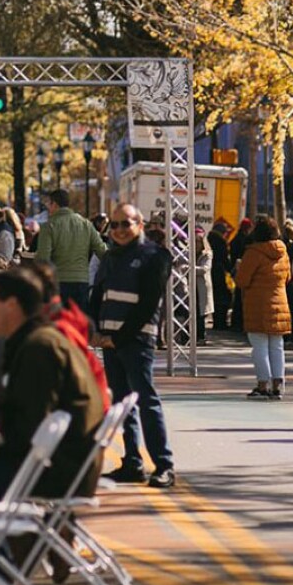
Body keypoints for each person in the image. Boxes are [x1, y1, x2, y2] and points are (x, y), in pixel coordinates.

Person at [0, 267, 106, 505]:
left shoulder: (38, 348)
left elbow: (27, 426)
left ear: (11, 305)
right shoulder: (37, 339)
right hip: (56, 468)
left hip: (51, 475)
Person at [91, 203, 176, 488]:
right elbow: (97, 295)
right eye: (114, 225)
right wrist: (95, 330)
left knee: (146, 401)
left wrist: (117, 337)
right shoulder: (110, 256)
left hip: (136, 341)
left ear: (140, 224)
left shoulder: (155, 256)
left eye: (125, 224)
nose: (119, 230)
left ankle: (164, 465)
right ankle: (132, 462)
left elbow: (148, 304)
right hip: (110, 343)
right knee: (121, 403)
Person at [234, 216, 291, 399]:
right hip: (279, 303)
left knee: (259, 346)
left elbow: (242, 280)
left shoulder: (253, 252)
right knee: (277, 346)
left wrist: (239, 268)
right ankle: (278, 385)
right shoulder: (283, 252)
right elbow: (288, 277)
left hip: (257, 304)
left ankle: (262, 385)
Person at [35, 189, 107, 310]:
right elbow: (102, 251)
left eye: (49, 205)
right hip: (82, 282)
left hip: (58, 282)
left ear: (54, 204)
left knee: (59, 318)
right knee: (79, 318)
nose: (48, 209)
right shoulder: (86, 224)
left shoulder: (49, 226)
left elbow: (43, 260)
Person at [208, 221, 233, 330]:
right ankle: (220, 322)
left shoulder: (208, 239)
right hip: (218, 272)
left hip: (210, 272)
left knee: (214, 297)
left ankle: (216, 321)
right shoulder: (221, 242)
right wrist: (231, 270)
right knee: (223, 297)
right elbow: (224, 259)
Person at [194, 227, 214, 344]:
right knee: (191, 311)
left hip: (201, 286)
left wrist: (190, 269)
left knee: (200, 313)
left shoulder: (207, 254)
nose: (196, 244)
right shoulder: (188, 253)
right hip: (190, 286)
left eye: (198, 241)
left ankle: (201, 336)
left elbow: (205, 269)